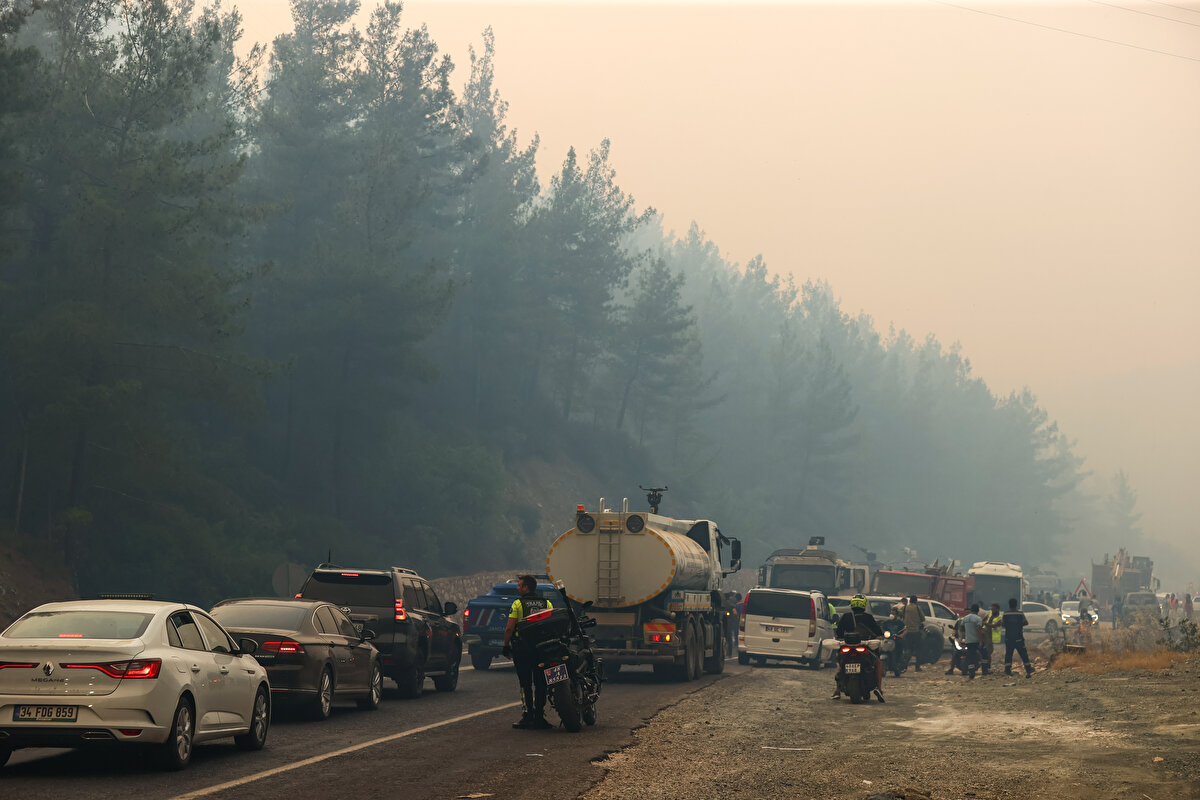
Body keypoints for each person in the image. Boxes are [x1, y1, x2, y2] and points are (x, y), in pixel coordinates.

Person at [502, 574, 553, 729]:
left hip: (522, 649)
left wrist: (505, 645)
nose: (518, 588)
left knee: (525, 683)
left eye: (519, 585)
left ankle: (527, 716)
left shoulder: (518, 604)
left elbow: (510, 627)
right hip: (541, 649)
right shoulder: (546, 603)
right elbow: (551, 624)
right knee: (540, 683)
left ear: (526, 587)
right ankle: (539, 717)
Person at [833, 594, 885, 702]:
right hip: (865, 646)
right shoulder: (868, 617)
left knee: (840, 664)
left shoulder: (846, 616)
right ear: (864, 605)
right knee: (878, 662)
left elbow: (838, 633)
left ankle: (837, 690)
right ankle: (879, 688)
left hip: (847, 647)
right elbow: (878, 633)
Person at [1002, 597, 1034, 678]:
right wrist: (1018, 625)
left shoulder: (1005, 614)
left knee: (1009, 654)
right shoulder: (1020, 613)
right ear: (1016, 605)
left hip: (1009, 638)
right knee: (1023, 654)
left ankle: (1008, 670)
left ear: (1009, 605)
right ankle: (1028, 669)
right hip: (1019, 637)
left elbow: (1003, 624)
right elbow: (1026, 622)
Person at [957, 604, 983, 679]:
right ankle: (981, 669)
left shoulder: (965, 618)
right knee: (977, 654)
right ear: (978, 610)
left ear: (971, 610)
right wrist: (980, 640)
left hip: (968, 641)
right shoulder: (978, 619)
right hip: (975, 640)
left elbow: (961, 629)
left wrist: (968, 631)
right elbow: (979, 630)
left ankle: (971, 670)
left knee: (970, 655)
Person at [902, 594, 925, 672]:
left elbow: (902, 616)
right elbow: (923, 618)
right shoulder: (918, 608)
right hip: (916, 631)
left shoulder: (905, 607)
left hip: (907, 632)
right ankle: (917, 667)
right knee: (918, 649)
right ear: (916, 601)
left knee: (908, 649)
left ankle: (904, 666)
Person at [979, 602, 1003, 675]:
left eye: (993, 609)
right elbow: (983, 621)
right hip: (984, 635)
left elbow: (995, 625)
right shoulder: (989, 614)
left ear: (997, 609)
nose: (992, 610)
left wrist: (986, 624)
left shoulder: (1000, 617)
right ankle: (985, 667)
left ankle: (987, 667)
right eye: (991, 608)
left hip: (991, 636)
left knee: (988, 652)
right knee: (985, 652)